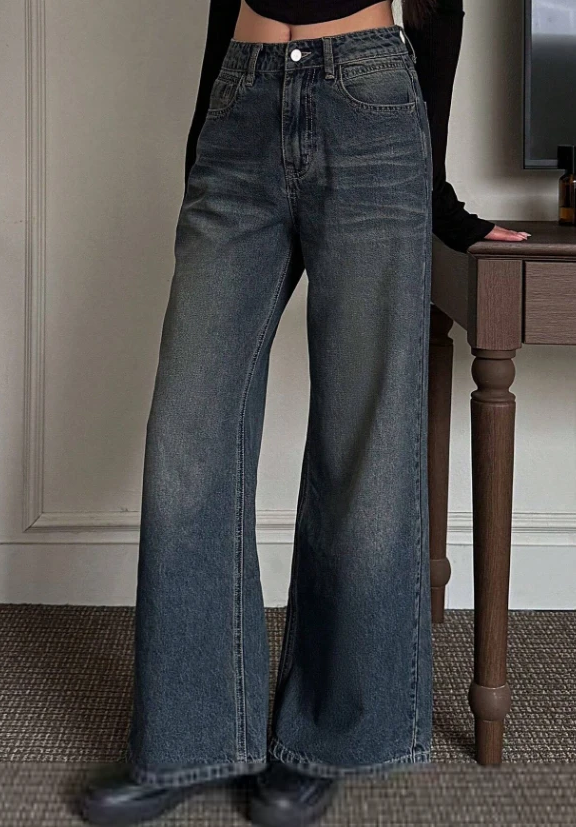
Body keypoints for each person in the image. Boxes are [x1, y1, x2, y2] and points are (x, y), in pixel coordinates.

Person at [79, 2, 528, 826]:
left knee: (360, 444)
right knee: (187, 438)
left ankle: (319, 740)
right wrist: (207, 146)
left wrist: (436, 196)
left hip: (369, 102)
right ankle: (186, 739)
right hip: (239, 105)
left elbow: (438, 4)